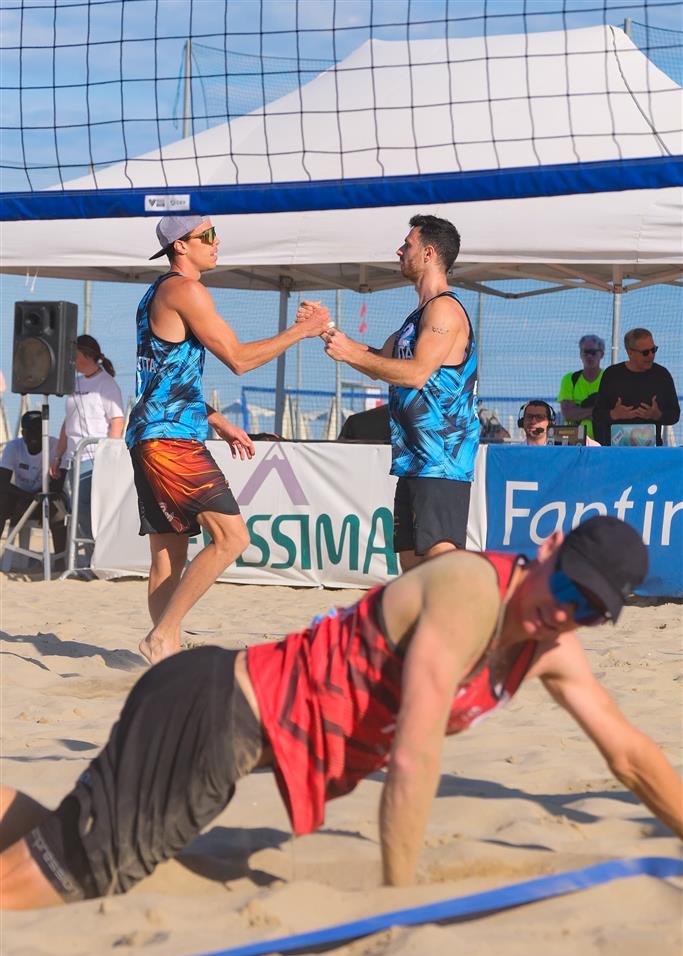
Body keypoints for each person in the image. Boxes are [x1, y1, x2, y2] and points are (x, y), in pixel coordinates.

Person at [2, 516, 681, 910]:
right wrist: (397, 900)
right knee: (72, 881)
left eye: (590, 610)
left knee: (61, 835)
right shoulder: (473, 591)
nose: (566, 611)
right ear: (549, 547)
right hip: (214, 718)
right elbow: (414, 752)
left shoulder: (550, 646)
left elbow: (628, 754)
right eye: (567, 587)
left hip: (210, 711)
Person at [126, 214, 330, 665]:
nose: (217, 242)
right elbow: (238, 360)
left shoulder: (154, 293)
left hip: (151, 433)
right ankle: (162, 637)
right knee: (232, 538)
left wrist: (216, 419)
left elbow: (165, 379)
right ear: (181, 246)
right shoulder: (185, 289)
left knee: (168, 555)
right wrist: (303, 330)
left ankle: (166, 659)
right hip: (171, 440)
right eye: (208, 235)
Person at [301, 214, 478, 572]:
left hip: (441, 460)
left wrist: (349, 354)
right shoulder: (417, 317)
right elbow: (380, 362)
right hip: (414, 459)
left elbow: (416, 374)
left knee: (441, 561)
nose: (399, 251)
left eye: (407, 244)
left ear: (428, 253)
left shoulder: (444, 309)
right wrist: (325, 329)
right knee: (412, 566)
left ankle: (480, 606)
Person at [49, 335, 124, 557]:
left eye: (74, 356)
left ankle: (97, 556)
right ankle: (91, 556)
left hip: (94, 457)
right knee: (77, 509)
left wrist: (109, 455)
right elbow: (68, 422)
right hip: (73, 457)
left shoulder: (106, 384)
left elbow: (117, 421)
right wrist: (57, 455)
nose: (71, 361)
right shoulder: (75, 383)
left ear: (87, 355)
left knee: (88, 508)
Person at [593, 328, 680, 446]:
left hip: (651, 452)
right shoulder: (612, 375)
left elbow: (675, 415)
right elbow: (597, 415)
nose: (651, 356)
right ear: (630, 352)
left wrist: (657, 415)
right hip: (617, 451)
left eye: (653, 350)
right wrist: (614, 414)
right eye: (645, 352)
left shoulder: (662, 375)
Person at [0, 411, 67, 561]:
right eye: (30, 431)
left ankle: (60, 561)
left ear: (45, 432)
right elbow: (2, 482)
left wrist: (33, 499)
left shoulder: (56, 447)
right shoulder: (13, 447)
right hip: (20, 500)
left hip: (45, 499)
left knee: (59, 513)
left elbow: (57, 485)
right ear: (23, 432)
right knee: (1, 502)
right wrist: (26, 498)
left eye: (38, 431)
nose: (34, 436)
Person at [557, 334, 605, 440]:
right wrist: (596, 411)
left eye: (593, 352)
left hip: (602, 442)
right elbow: (568, 414)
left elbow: (611, 414)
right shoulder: (570, 379)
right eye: (585, 352)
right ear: (580, 354)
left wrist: (579, 410)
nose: (589, 356)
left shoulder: (608, 378)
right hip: (574, 440)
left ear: (601, 354)